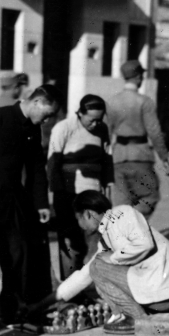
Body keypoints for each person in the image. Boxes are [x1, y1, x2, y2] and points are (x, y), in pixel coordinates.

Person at [0, 83, 57, 328]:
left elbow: (37, 168)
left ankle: (11, 312)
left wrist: (41, 204)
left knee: (16, 256)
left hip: (13, 202)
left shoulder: (32, 129)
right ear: (36, 102)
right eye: (46, 115)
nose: (46, 121)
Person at [54, 194, 169, 333]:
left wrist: (113, 258)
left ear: (87, 214)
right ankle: (136, 311)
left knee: (98, 265)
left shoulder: (122, 213)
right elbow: (84, 276)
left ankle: (134, 317)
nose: (81, 225)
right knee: (97, 266)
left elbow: (144, 244)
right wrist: (53, 299)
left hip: (167, 294)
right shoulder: (107, 235)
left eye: (79, 219)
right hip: (167, 295)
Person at [47, 94, 115, 275]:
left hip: (93, 195)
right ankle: (71, 284)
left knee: (94, 238)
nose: (95, 124)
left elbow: (107, 160)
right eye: (92, 120)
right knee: (70, 241)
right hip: (68, 194)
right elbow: (53, 163)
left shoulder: (102, 129)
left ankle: (89, 281)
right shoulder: (64, 128)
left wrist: (107, 189)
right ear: (80, 113)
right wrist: (58, 194)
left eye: (99, 120)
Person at [105, 58, 169, 216]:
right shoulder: (145, 102)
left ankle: (126, 229)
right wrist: (164, 158)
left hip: (118, 156)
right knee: (150, 196)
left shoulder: (112, 102)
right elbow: (154, 132)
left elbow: (106, 133)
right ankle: (135, 223)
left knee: (122, 202)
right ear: (138, 78)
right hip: (141, 156)